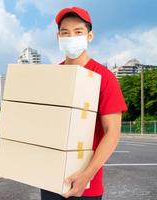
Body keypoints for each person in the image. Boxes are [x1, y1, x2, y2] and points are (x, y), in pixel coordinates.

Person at [40, 6, 128, 200]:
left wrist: (87, 174)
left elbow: (112, 133)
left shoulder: (104, 78)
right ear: (58, 38)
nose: (71, 37)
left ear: (89, 36)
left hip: (86, 187)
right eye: (65, 33)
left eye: (78, 32)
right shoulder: (52, 76)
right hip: (50, 181)